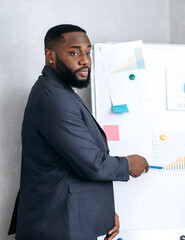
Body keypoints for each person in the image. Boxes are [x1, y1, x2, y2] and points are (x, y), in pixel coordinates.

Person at [8, 24, 149, 240]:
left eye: (88, 52)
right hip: (56, 227)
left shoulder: (60, 92)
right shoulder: (54, 97)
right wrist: (130, 164)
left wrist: (101, 212)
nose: (85, 60)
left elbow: (67, 168)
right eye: (74, 52)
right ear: (50, 56)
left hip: (66, 220)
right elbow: (92, 163)